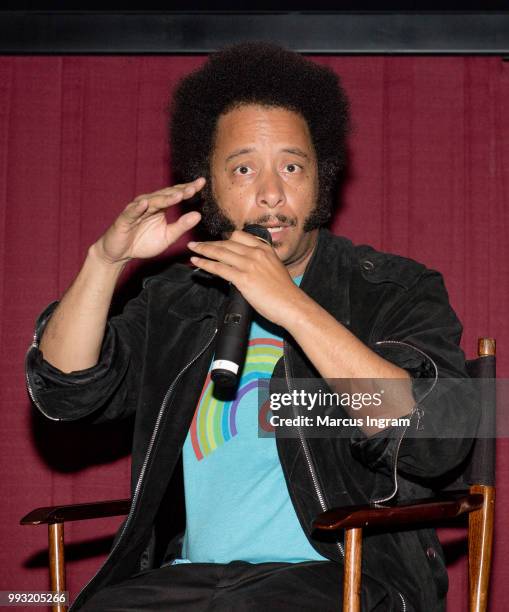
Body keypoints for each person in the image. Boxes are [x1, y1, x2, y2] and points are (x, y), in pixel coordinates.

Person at [26, 43, 479, 611]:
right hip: (192, 579)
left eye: (292, 166)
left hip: (343, 578)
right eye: (244, 169)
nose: (271, 193)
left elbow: (439, 439)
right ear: (209, 186)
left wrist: (292, 306)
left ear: (322, 178)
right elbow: (67, 390)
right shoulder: (180, 300)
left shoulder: (391, 289)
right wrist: (104, 263)